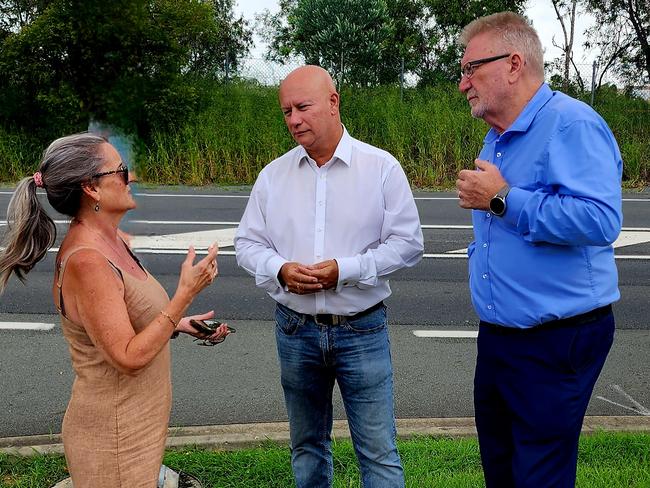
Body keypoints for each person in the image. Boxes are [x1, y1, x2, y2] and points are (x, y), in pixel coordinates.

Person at [0, 133, 230, 487]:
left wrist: (178, 324)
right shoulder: (88, 261)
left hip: (135, 429)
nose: (132, 176)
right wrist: (184, 294)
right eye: (121, 171)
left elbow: (119, 324)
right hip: (114, 442)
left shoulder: (113, 241)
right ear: (91, 188)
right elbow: (126, 357)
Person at [455, 12, 623, 488]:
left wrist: (502, 199)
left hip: (555, 338)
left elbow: (600, 220)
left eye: (471, 69)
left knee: (539, 475)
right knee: (503, 468)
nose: (463, 83)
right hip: (502, 336)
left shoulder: (571, 124)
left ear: (513, 63)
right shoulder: (498, 139)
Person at [235, 65, 423, 487]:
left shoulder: (381, 168)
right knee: (306, 446)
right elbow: (247, 244)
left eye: (303, 107)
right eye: (286, 111)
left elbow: (408, 243)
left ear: (334, 103)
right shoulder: (273, 176)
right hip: (295, 328)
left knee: (377, 450)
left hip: (362, 328)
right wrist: (279, 270)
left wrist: (347, 270)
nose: (294, 120)